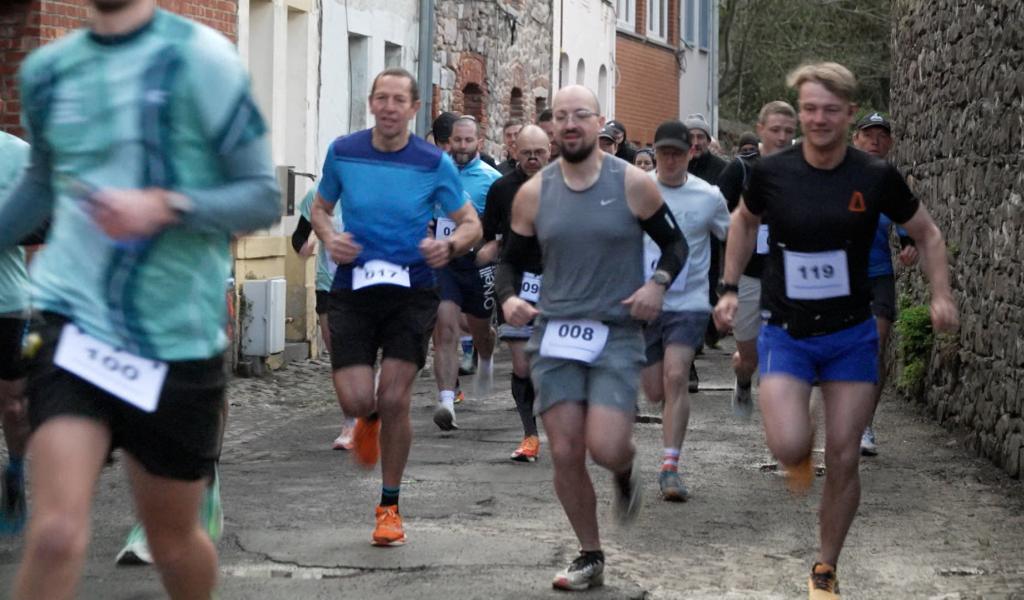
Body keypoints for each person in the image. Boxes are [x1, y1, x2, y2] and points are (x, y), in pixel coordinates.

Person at [0, 1, 281, 597]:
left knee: (173, 543)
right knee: (55, 534)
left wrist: (166, 206)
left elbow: (261, 196)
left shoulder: (202, 59)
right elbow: (41, 184)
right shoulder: (49, 70)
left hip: (174, 338)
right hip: (72, 323)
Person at [714, 62, 958, 599]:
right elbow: (743, 221)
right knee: (789, 443)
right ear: (800, 113)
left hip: (850, 333)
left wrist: (940, 294)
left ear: (849, 113)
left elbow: (927, 233)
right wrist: (729, 287)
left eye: (829, 110)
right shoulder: (772, 172)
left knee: (844, 457)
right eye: (809, 109)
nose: (818, 119)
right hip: (787, 331)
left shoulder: (874, 175)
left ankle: (825, 567)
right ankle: (797, 454)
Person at [495, 85, 687, 591]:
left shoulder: (633, 183)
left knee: (605, 446)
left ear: (600, 123)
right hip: (555, 333)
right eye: (561, 116)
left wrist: (657, 284)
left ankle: (623, 469)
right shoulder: (534, 193)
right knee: (564, 450)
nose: (570, 123)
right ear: (553, 127)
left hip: (615, 332)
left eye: (581, 114)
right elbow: (510, 262)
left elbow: (675, 246)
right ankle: (590, 553)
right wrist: (508, 299)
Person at [311, 68, 481, 547]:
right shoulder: (344, 152)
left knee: (394, 397)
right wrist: (329, 237)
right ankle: (365, 422)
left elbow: (470, 223)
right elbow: (320, 208)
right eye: (381, 98)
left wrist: (449, 247)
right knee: (356, 400)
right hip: (354, 287)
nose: (388, 107)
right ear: (371, 103)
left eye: (398, 100)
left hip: (412, 289)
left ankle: (389, 506)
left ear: (413, 109)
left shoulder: (433, 162)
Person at [640, 121, 728, 502]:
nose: (671, 160)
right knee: (654, 390)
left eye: (678, 153)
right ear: (655, 153)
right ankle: (668, 426)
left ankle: (670, 467)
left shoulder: (709, 196)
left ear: (690, 153)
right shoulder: (638, 190)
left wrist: (730, 289)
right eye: (664, 153)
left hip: (690, 301)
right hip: (646, 303)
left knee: (677, 376)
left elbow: (733, 236)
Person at [716, 100, 798, 418]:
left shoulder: (801, 167)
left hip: (788, 276)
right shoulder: (741, 168)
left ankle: (778, 417)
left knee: (781, 353)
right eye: (775, 130)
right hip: (750, 273)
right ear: (761, 129)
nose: (782, 137)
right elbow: (717, 208)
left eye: (788, 131)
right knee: (748, 357)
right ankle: (743, 380)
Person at [478, 125, 551, 462]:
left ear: (550, 151)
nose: (533, 158)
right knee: (522, 363)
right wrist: (487, 250)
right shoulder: (501, 188)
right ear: (514, 152)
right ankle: (530, 434)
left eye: (539, 152)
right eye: (526, 153)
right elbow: (490, 233)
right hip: (517, 279)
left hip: (559, 281)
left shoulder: (565, 184)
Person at [851, 112, 918, 455]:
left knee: (875, 345)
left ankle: (864, 424)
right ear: (856, 139)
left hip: (878, 274)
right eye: (869, 135)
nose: (875, 141)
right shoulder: (840, 176)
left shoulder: (891, 181)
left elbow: (908, 220)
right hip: (841, 278)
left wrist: (908, 243)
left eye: (881, 136)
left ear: (890, 143)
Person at [431, 116, 501, 431]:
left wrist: (490, 244)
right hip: (444, 261)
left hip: (477, 263)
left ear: (479, 142)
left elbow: (501, 227)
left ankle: (485, 357)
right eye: (456, 140)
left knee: (480, 329)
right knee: (444, 326)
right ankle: (447, 401)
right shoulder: (436, 174)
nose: (461, 146)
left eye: (467, 140)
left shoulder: (491, 179)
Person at [291, 188, 355, 450]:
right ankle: (350, 422)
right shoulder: (316, 194)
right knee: (339, 357)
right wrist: (303, 247)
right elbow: (299, 235)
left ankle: (365, 410)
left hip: (363, 284)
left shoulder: (367, 186)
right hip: (328, 285)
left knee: (360, 354)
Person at [0, 131, 32, 536]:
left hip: (7, 302)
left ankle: (16, 471)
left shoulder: (18, 154)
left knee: (12, 406)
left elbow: (50, 222)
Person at [684, 112, 730, 372]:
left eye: (700, 136)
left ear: (708, 140)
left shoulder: (721, 168)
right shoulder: (678, 163)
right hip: (681, 237)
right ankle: (696, 337)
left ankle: (705, 331)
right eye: (691, 136)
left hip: (711, 237)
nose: (695, 142)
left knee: (708, 286)